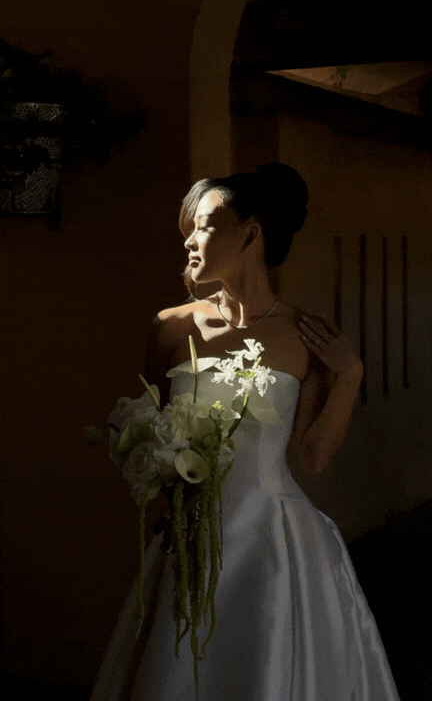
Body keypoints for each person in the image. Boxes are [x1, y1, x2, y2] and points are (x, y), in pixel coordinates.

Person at [91, 163, 401, 700]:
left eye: (204, 226)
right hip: (187, 537)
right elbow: (150, 430)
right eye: (187, 229)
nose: (189, 241)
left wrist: (350, 375)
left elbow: (312, 458)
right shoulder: (170, 327)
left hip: (272, 544)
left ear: (252, 234)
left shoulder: (304, 337)